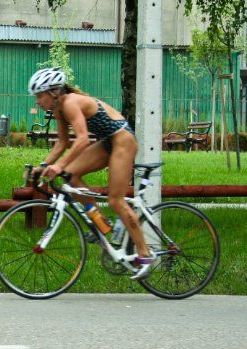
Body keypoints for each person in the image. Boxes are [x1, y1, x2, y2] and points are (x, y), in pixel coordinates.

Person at [27, 67, 157, 279]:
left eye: (39, 95)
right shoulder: (59, 109)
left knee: (116, 200)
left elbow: (82, 139)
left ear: (53, 92)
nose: (37, 101)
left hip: (123, 140)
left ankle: (144, 254)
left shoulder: (69, 102)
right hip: (108, 142)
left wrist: (58, 166)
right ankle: (102, 226)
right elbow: (62, 143)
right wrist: (43, 165)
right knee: (70, 175)